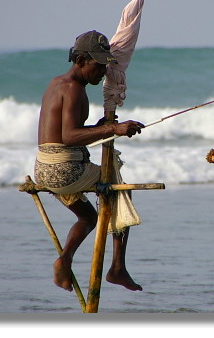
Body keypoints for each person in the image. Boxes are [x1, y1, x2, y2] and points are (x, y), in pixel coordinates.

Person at [35, 30, 144, 292]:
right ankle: (118, 268)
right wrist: (113, 130)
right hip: (65, 170)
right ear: (81, 59)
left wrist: (99, 127)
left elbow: (64, 135)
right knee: (120, 189)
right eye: (98, 65)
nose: (102, 72)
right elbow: (70, 136)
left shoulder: (57, 83)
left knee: (88, 217)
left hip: (44, 170)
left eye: (106, 66)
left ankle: (64, 260)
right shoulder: (75, 90)